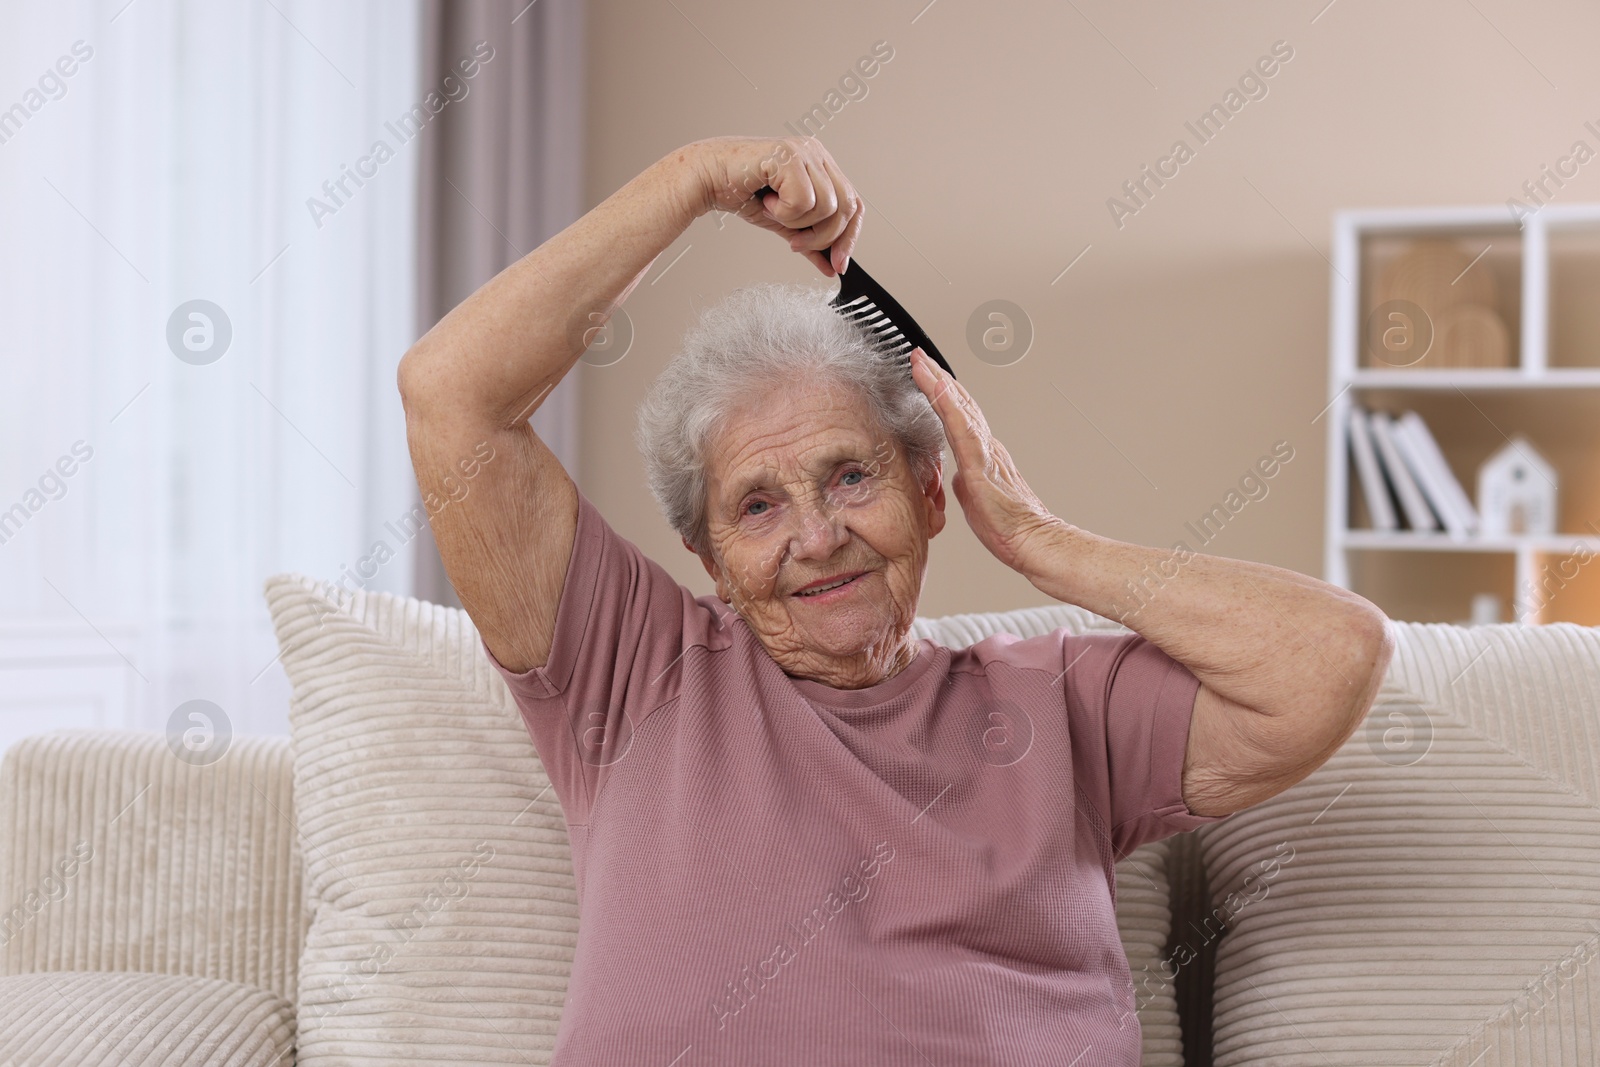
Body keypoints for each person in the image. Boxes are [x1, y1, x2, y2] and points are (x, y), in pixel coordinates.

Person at [397, 135, 1394, 1065]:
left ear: (929, 495)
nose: (816, 535)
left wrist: (1045, 542)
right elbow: (451, 392)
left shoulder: (1058, 700)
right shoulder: (629, 667)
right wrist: (695, 178)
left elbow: (1332, 656)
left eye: (849, 478)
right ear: (707, 554)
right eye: (756, 504)